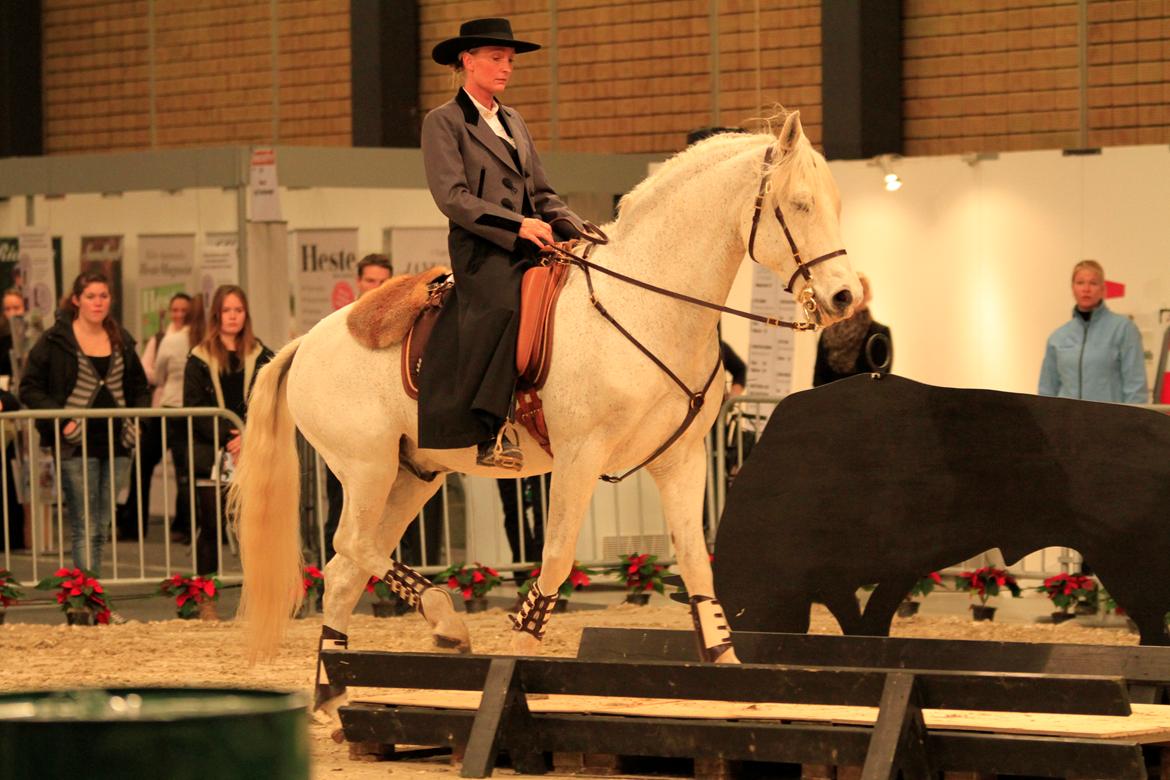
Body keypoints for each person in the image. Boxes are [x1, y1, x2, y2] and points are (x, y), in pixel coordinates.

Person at [419, 17, 585, 470]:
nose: (506, 67)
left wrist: (579, 227)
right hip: (482, 249)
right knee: (505, 304)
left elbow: (543, 194)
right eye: (496, 58)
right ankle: (491, 427)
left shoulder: (513, 119)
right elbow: (452, 197)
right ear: (467, 61)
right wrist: (516, 226)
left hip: (531, 241)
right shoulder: (444, 122)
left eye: (509, 60)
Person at [20, 272, 149, 575]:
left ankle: (93, 592)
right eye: (91, 296)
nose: (98, 302)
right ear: (77, 300)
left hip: (118, 443)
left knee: (102, 522)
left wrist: (138, 421)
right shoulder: (54, 340)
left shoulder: (123, 340)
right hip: (75, 445)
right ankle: (85, 598)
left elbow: (140, 387)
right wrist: (61, 419)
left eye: (103, 296)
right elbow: (29, 387)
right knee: (84, 523)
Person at [183, 285, 273, 575]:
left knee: (257, 526)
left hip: (254, 449)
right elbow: (195, 406)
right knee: (210, 525)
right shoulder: (199, 357)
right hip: (211, 453)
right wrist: (228, 436)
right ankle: (204, 594)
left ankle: (260, 593)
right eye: (226, 311)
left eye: (238, 310)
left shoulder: (262, 355)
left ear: (246, 315)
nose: (233, 317)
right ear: (216, 315)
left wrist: (248, 436)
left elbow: (271, 403)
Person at [323, 254, 393, 562]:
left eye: (383, 282)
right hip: (346, 438)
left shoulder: (401, 330)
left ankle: (388, 589)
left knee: (393, 514)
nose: (376, 288)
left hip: (388, 438)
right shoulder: (336, 331)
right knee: (342, 509)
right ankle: (331, 577)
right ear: (358, 283)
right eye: (370, 281)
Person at [1039, 259, 1148, 404]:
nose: (1086, 289)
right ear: (1072, 288)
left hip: (1109, 423)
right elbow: (1047, 390)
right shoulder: (1057, 337)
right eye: (1080, 283)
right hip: (1067, 424)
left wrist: (1132, 424)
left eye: (1093, 283)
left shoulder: (1123, 329)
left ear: (1103, 289)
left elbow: (1136, 387)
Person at [813, 274, 893, 386]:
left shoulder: (879, 332)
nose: (857, 299)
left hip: (864, 401)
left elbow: (882, 380)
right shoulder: (828, 332)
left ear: (868, 295)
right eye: (852, 292)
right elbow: (818, 378)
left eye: (862, 292)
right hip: (830, 400)